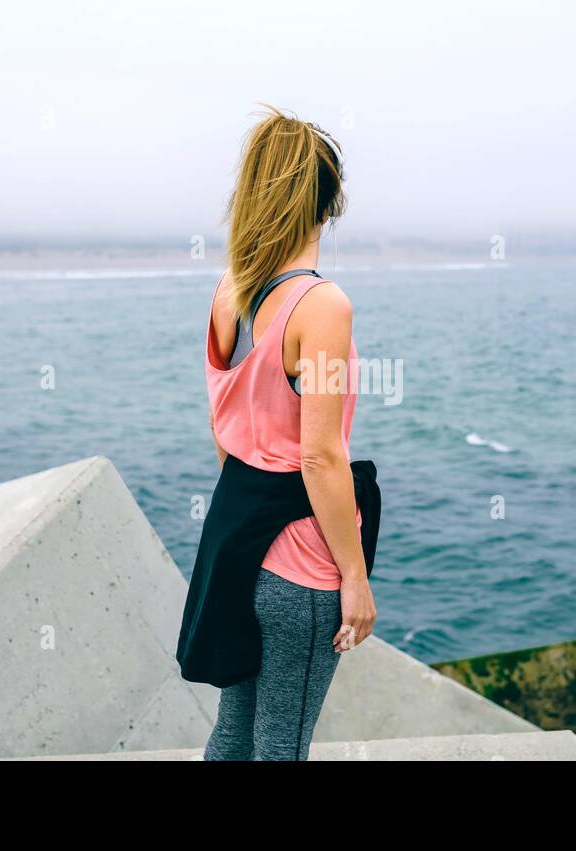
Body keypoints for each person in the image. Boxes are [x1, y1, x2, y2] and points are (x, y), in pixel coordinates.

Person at [194, 106, 376, 760]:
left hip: (235, 543)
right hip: (299, 564)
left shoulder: (228, 291)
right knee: (282, 745)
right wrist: (354, 577)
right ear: (327, 205)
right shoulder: (322, 306)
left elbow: (225, 430)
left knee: (235, 731)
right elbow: (322, 457)